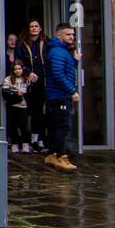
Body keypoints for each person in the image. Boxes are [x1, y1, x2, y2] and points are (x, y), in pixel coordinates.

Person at [44, 22, 80, 173]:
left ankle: (52, 155)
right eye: (68, 34)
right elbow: (58, 75)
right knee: (64, 126)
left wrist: (75, 61)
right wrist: (72, 91)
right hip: (59, 96)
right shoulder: (58, 52)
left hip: (58, 95)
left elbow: (66, 70)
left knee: (56, 126)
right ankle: (61, 156)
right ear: (59, 35)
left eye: (72, 34)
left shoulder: (63, 51)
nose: (71, 37)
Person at [17, 19, 48, 151]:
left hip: (43, 81)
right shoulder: (22, 44)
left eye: (36, 26)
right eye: (31, 26)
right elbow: (19, 62)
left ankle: (38, 138)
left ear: (40, 28)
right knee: (25, 111)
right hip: (27, 82)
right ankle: (24, 140)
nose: (34, 28)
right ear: (28, 29)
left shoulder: (46, 42)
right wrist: (28, 73)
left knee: (40, 111)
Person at [1, 61, 30, 154]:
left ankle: (25, 144)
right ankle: (15, 144)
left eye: (19, 69)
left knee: (23, 125)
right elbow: (5, 91)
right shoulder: (8, 79)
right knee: (13, 125)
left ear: (23, 69)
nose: (17, 71)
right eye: (15, 69)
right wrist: (16, 93)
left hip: (24, 106)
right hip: (13, 105)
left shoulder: (26, 79)